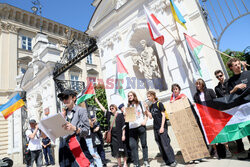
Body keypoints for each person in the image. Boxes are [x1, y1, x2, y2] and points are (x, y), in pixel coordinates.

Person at [58, 89, 93, 167]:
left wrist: (75, 128)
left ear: (73, 98)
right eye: (62, 99)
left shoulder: (81, 110)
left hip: (76, 144)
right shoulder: (63, 113)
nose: (64, 100)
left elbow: (86, 131)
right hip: (64, 145)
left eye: (66, 97)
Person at [226, 58, 250, 159]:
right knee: (248, 130)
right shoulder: (231, 81)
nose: (238, 66)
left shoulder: (248, 73)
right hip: (242, 109)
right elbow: (228, 95)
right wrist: (235, 88)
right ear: (231, 67)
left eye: (238, 64)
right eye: (235, 65)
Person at [145, 91, 177, 167]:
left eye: (149, 96)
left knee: (165, 144)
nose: (148, 98)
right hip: (155, 127)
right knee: (160, 145)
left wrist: (162, 127)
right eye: (147, 96)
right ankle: (167, 161)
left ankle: (172, 161)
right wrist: (146, 109)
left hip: (162, 126)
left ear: (153, 96)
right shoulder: (151, 106)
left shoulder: (159, 104)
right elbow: (150, 117)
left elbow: (163, 116)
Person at [95, 98, 128, 167]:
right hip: (113, 136)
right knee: (116, 150)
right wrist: (98, 102)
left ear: (116, 108)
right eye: (110, 108)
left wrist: (123, 135)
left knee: (123, 149)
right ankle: (119, 164)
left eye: (112, 108)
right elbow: (103, 109)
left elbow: (123, 126)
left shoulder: (120, 115)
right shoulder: (109, 115)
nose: (111, 109)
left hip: (120, 135)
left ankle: (125, 163)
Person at [193, 79, 219, 158]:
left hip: (213, 115)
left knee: (218, 131)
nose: (198, 86)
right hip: (205, 117)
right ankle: (216, 151)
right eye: (196, 84)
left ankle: (226, 149)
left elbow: (216, 101)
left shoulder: (210, 91)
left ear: (203, 84)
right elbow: (198, 106)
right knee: (210, 134)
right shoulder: (196, 95)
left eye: (199, 84)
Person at [127, 91, 150, 167]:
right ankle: (136, 163)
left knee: (144, 144)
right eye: (128, 96)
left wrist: (145, 121)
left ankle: (146, 161)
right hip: (132, 129)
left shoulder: (140, 103)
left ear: (134, 96)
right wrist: (125, 115)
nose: (129, 97)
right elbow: (127, 119)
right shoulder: (128, 106)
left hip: (140, 127)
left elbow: (146, 113)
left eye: (131, 95)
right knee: (133, 146)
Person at [214, 70, 233, 158]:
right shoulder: (217, 88)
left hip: (234, 106)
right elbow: (218, 98)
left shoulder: (230, 82)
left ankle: (240, 147)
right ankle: (231, 149)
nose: (220, 78)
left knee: (237, 126)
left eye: (220, 75)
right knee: (229, 128)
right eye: (217, 77)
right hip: (225, 110)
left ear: (223, 75)